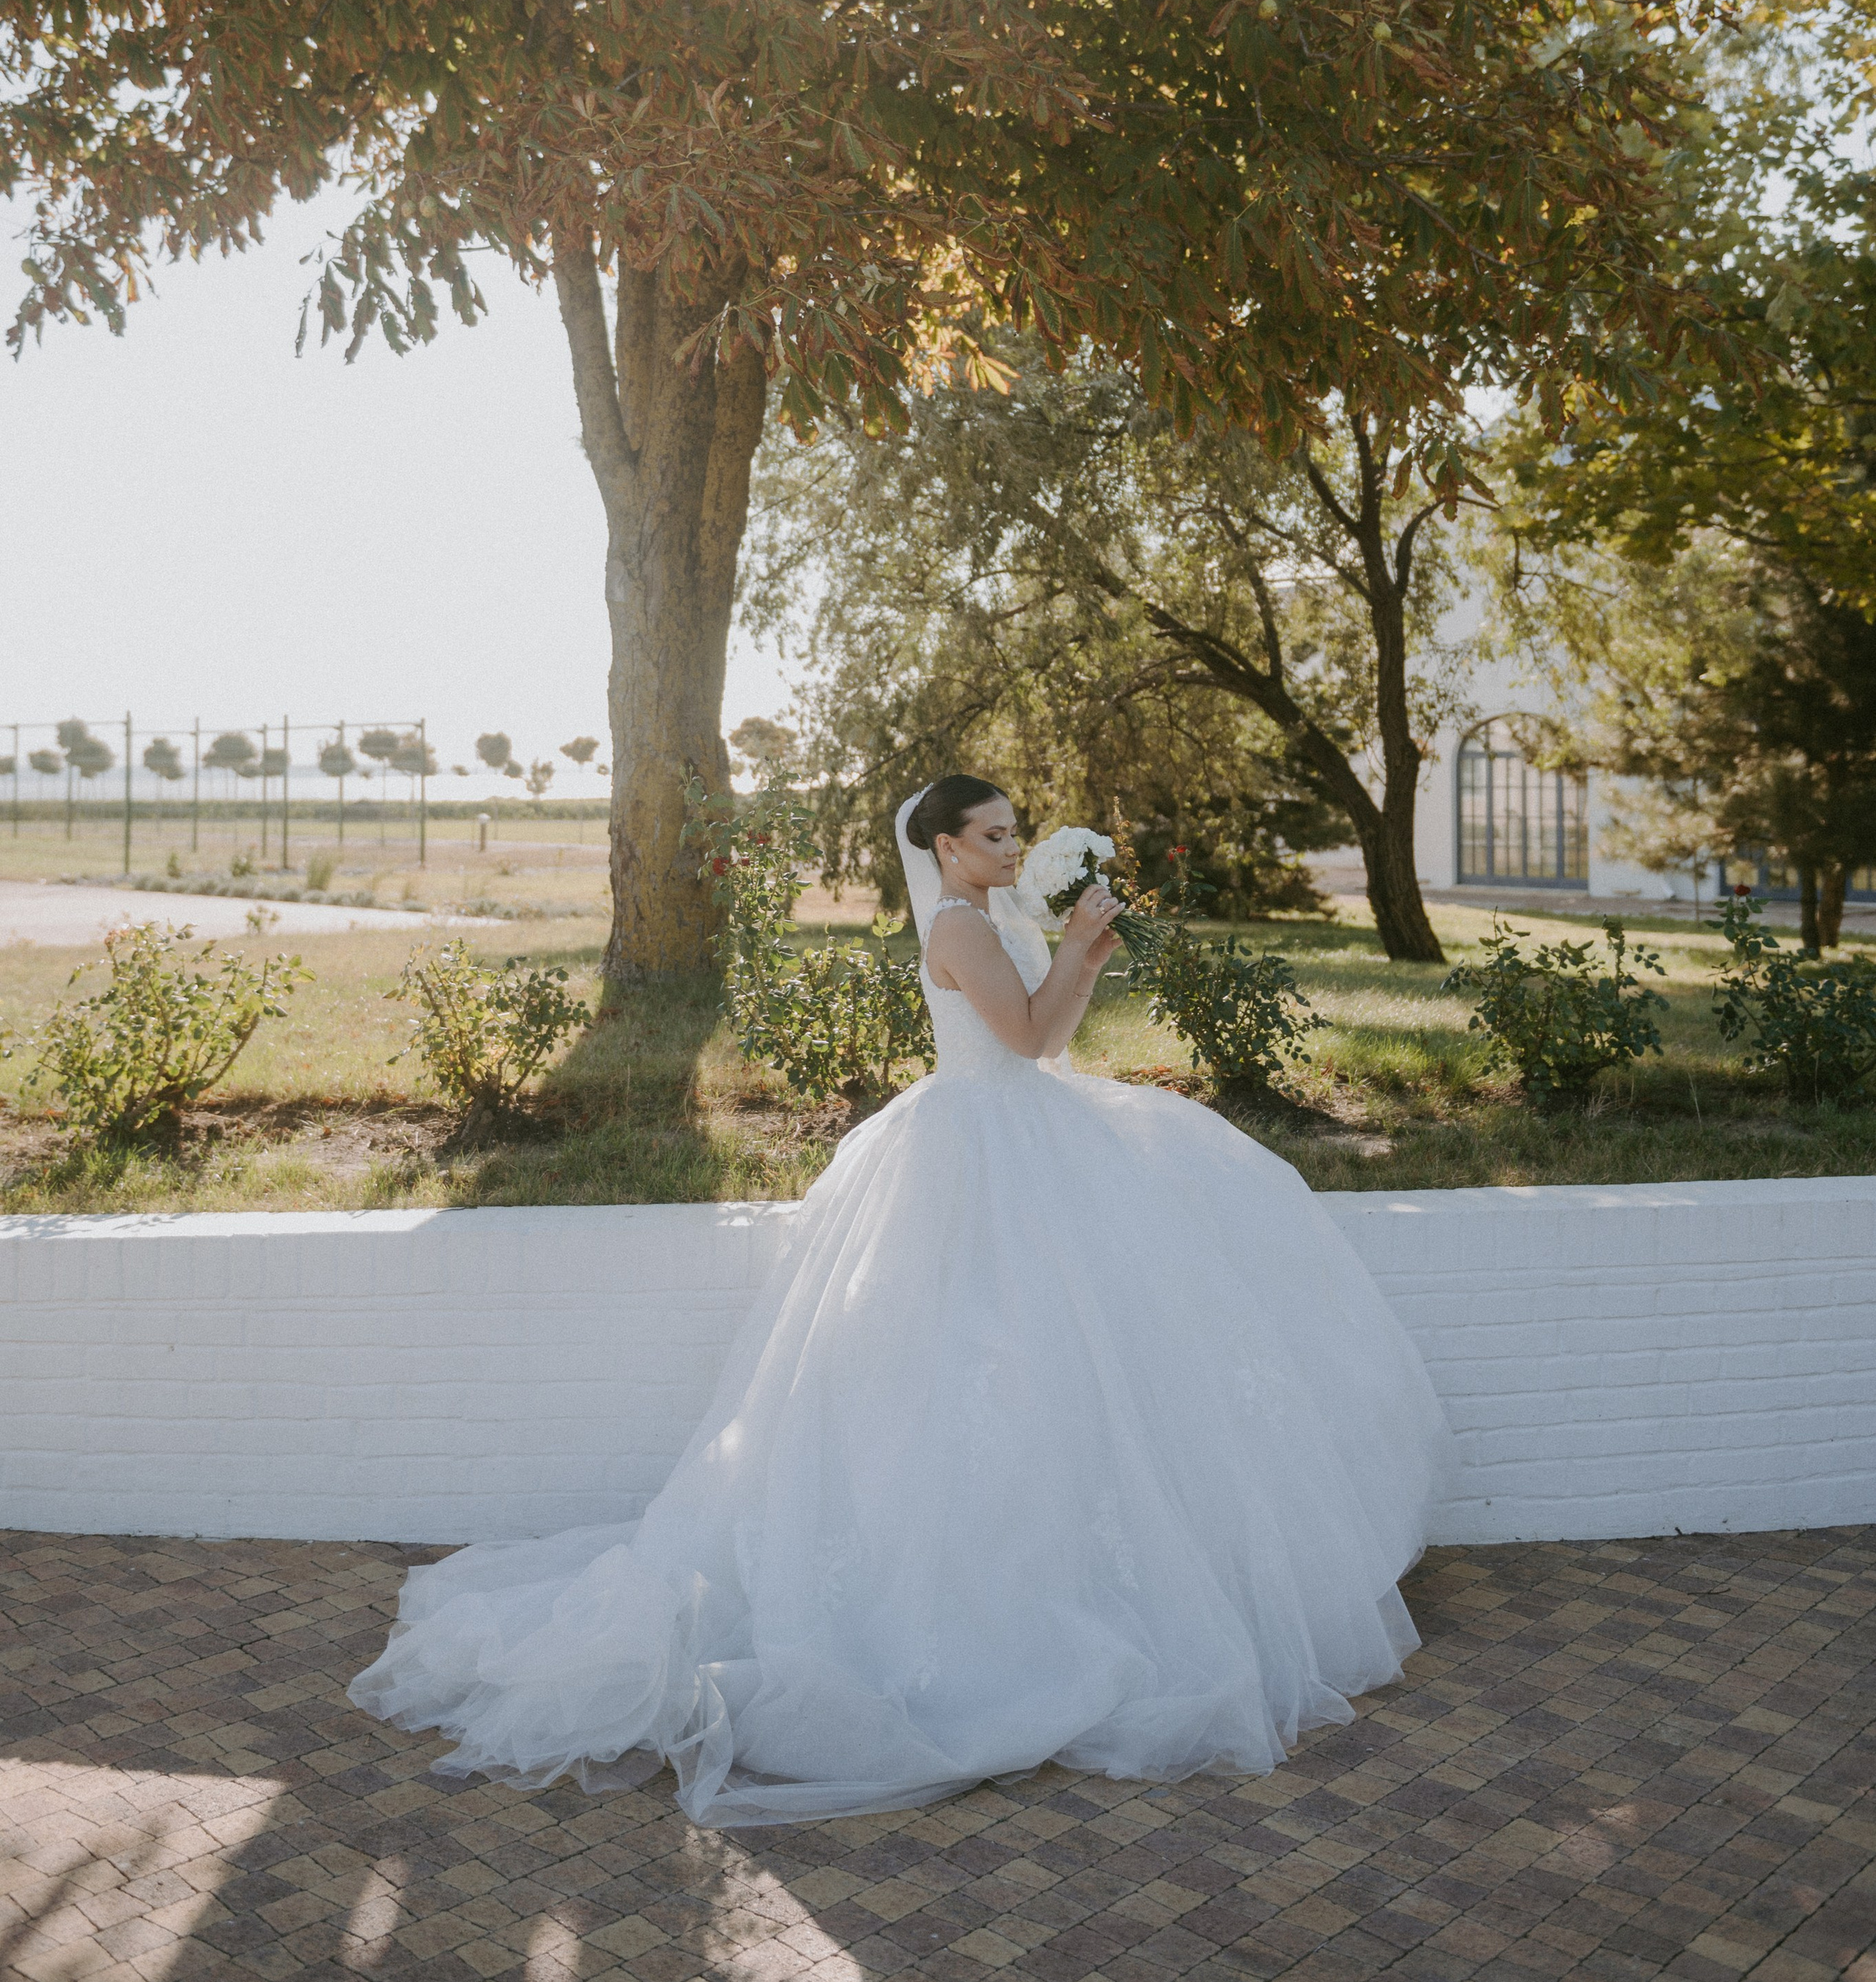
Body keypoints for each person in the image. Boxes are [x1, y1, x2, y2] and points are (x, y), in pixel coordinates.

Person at [350, 776, 1451, 1825]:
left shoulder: (994, 911)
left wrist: (1084, 954)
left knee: (1074, 1373)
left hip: (1032, 1135)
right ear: (945, 847)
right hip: (978, 1150)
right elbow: (1021, 1040)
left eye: (1018, 832)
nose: (1014, 849)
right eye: (995, 836)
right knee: (979, 1371)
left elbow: (1050, 1034)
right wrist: (1073, 950)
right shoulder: (961, 929)